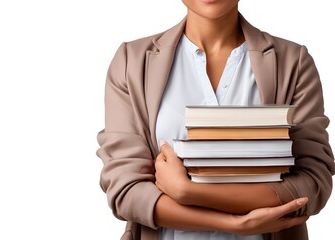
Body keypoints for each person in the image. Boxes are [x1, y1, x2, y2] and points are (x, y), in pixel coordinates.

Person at [96, 0, 335, 239]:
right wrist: (234, 224)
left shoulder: (294, 61)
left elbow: (313, 182)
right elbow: (125, 190)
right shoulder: (132, 61)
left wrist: (188, 192)